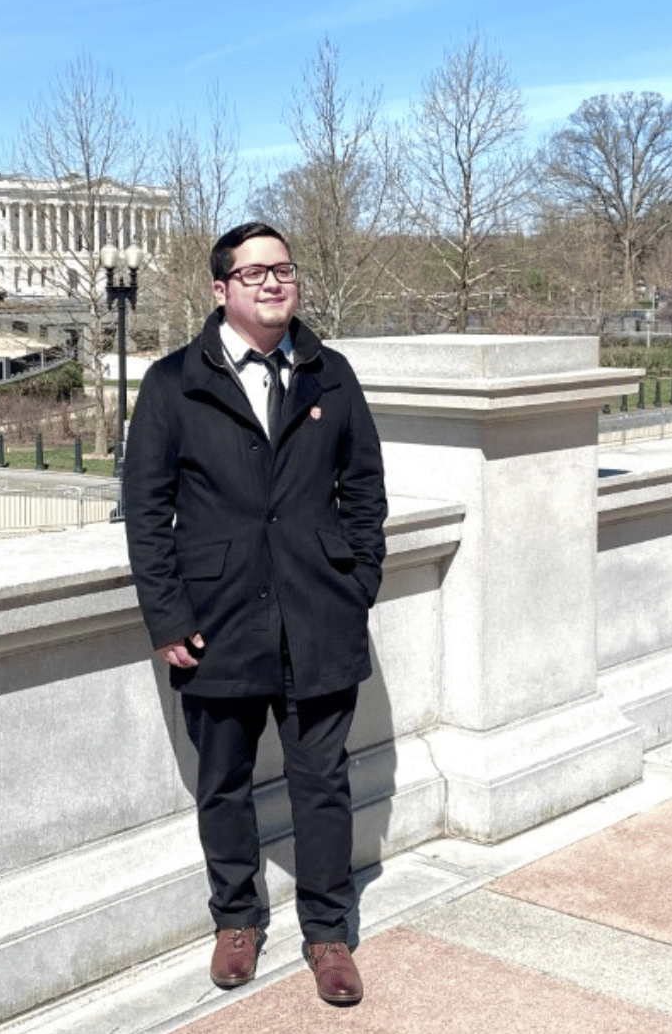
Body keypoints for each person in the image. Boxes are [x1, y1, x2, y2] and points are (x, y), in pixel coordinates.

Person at [122, 221, 387, 1006]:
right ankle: (236, 919)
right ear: (221, 289)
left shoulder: (330, 375)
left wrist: (355, 584)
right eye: (255, 272)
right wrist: (168, 619)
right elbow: (146, 509)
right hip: (218, 621)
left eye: (285, 270)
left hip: (318, 619)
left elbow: (365, 494)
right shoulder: (174, 382)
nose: (274, 283)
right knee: (225, 784)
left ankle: (329, 933)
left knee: (322, 785)